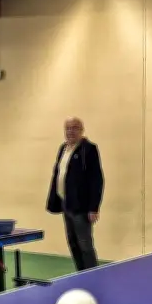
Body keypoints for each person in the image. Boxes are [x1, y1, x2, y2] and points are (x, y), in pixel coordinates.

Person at [46, 116, 104, 270]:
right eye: (68, 128)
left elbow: (97, 179)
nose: (70, 131)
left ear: (81, 130)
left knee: (85, 244)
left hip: (82, 206)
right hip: (67, 203)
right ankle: (80, 273)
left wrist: (94, 208)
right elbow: (58, 173)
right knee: (72, 243)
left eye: (74, 128)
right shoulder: (62, 149)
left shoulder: (89, 149)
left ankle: (92, 274)